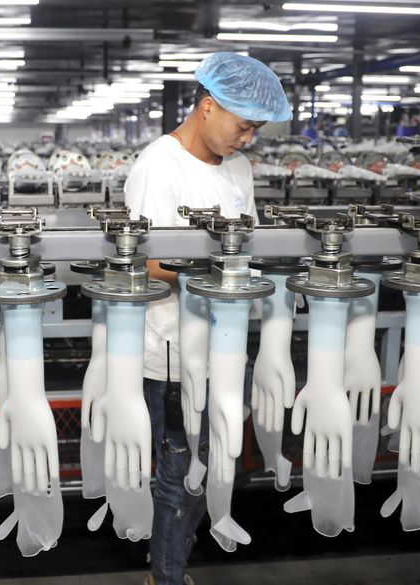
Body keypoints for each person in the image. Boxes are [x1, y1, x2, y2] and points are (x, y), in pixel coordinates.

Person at [124, 52, 292, 585]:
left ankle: (175, 566)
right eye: (244, 127)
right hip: (172, 355)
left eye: (256, 130)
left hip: (226, 346)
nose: (248, 140)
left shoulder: (239, 167)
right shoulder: (159, 164)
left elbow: (248, 246)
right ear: (207, 106)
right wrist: (219, 267)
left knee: (216, 463)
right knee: (178, 477)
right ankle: (165, 578)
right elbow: (148, 265)